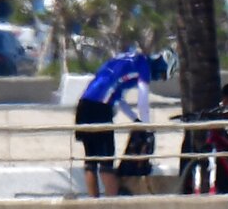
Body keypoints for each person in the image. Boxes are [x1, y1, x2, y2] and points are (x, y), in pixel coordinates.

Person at [75, 48, 176, 197]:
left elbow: (119, 98)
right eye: (161, 75)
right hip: (100, 108)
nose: (158, 78)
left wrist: (135, 119)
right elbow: (143, 101)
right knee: (106, 164)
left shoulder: (127, 59)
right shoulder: (144, 66)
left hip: (84, 105)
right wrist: (147, 126)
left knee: (91, 161)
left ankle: (93, 203)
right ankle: (114, 205)